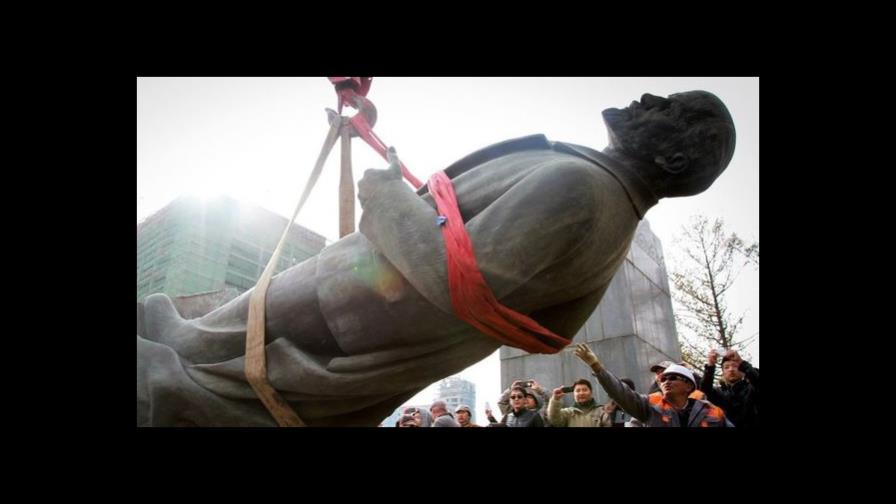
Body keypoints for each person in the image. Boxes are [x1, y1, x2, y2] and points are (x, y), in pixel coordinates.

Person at [137, 90, 736, 426]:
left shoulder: (585, 192)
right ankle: (179, 353)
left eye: (672, 108)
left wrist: (387, 195)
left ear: (678, 158)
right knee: (194, 348)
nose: (650, 97)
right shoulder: (602, 197)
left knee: (186, 370)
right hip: (350, 307)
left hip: (346, 304)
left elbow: (462, 282)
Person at [574, 343, 732, 427]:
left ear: (689, 386)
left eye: (673, 377)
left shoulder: (712, 412)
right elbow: (621, 393)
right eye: (663, 378)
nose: (665, 381)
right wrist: (597, 366)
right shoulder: (649, 405)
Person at [700, 349, 759, 428]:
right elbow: (705, 389)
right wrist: (710, 366)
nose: (731, 369)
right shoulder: (719, 393)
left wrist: (741, 362)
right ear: (723, 373)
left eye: (735, 366)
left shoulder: (751, 389)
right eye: (726, 367)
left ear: (742, 371)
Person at [547, 378, 612, 427]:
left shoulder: (601, 411)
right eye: (578, 391)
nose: (581, 393)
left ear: (591, 392)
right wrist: (555, 399)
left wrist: (609, 414)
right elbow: (554, 420)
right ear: (574, 394)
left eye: (584, 390)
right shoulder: (568, 412)